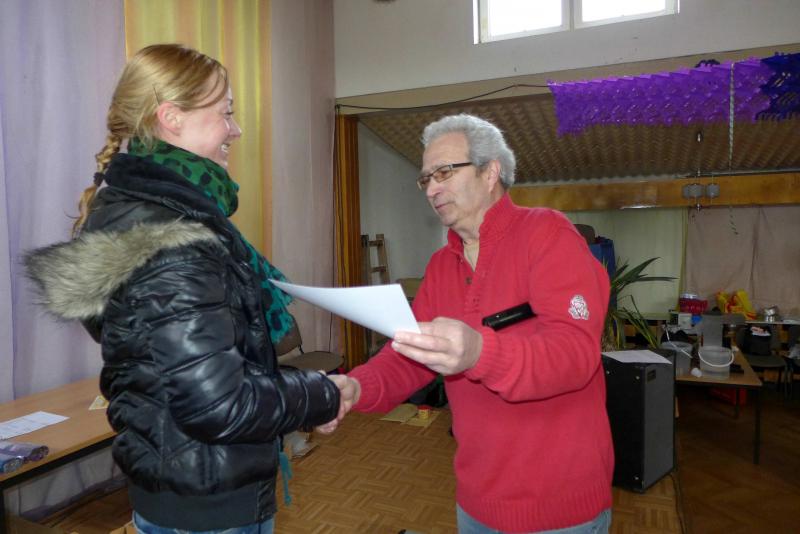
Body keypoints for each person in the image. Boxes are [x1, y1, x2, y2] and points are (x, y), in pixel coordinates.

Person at [24, 44, 341, 534]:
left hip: (185, 481)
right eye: (226, 113)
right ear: (171, 117)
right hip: (209, 503)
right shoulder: (173, 238)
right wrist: (323, 393)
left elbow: (184, 370)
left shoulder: (136, 215)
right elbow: (218, 404)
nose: (236, 129)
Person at [329, 114, 614, 533]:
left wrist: (479, 352)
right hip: (476, 503)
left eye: (444, 172)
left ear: (490, 171)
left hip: (559, 508)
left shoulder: (548, 234)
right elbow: (409, 355)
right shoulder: (441, 266)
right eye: (425, 178)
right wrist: (357, 387)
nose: (432, 188)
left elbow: (575, 354)